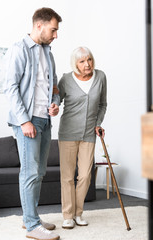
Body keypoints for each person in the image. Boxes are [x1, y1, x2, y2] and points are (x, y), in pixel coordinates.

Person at [4, 7, 62, 240]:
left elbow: (54, 86)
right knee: (29, 173)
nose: (56, 35)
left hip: (45, 120)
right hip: (27, 121)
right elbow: (10, 87)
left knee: (38, 172)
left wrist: (55, 103)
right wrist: (24, 121)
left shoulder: (49, 54)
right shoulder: (19, 50)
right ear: (39, 25)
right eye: (53, 29)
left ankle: (32, 217)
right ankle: (31, 226)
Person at [58, 46, 107, 229]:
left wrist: (98, 122)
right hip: (68, 133)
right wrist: (53, 105)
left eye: (89, 59)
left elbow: (103, 104)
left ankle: (78, 213)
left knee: (85, 175)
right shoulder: (65, 80)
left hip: (89, 133)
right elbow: (57, 100)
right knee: (68, 177)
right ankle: (68, 215)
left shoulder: (100, 77)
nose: (87, 64)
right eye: (82, 61)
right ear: (75, 64)